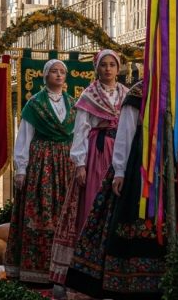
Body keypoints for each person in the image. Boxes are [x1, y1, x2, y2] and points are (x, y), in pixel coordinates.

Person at [66, 81, 167, 300]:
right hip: (139, 162)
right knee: (130, 216)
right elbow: (126, 131)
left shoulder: (176, 90)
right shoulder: (137, 93)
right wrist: (120, 170)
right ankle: (125, 285)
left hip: (167, 161)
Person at [49, 49, 128, 285]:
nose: (108, 69)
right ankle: (86, 268)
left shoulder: (126, 93)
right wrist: (80, 163)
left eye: (112, 65)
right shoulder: (89, 95)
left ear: (118, 68)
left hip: (121, 151)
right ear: (97, 69)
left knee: (119, 207)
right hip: (98, 153)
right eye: (103, 65)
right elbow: (81, 130)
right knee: (94, 203)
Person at [5, 59, 76, 283]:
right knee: (41, 211)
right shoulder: (34, 105)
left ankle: (64, 268)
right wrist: (21, 168)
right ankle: (36, 270)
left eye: (61, 72)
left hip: (66, 162)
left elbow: (77, 136)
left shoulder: (73, 103)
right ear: (45, 76)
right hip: (42, 162)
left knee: (66, 211)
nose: (58, 75)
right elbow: (24, 137)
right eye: (53, 71)